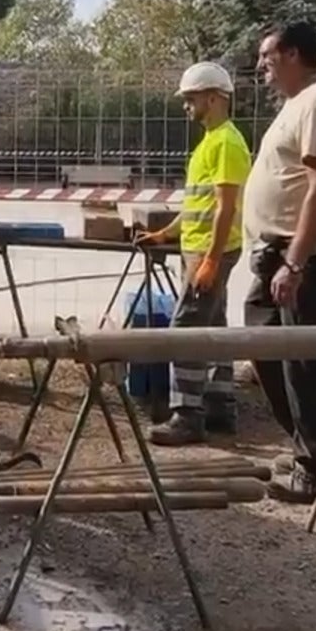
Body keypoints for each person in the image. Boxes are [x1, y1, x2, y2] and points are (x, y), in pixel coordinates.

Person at [242, 22, 316, 502]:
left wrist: (294, 263)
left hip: (313, 257)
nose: (261, 66)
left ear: (293, 54)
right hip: (283, 254)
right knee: (265, 345)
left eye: (267, 56)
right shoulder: (299, 105)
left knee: (307, 366)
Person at [133, 60, 251, 446]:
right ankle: (220, 409)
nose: (186, 106)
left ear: (214, 98)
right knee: (213, 330)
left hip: (209, 254)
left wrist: (212, 260)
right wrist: (164, 235)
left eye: (191, 99)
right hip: (199, 251)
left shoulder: (227, 143)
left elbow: (225, 207)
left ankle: (187, 415)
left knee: (185, 330)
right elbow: (196, 206)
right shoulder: (210, 142)